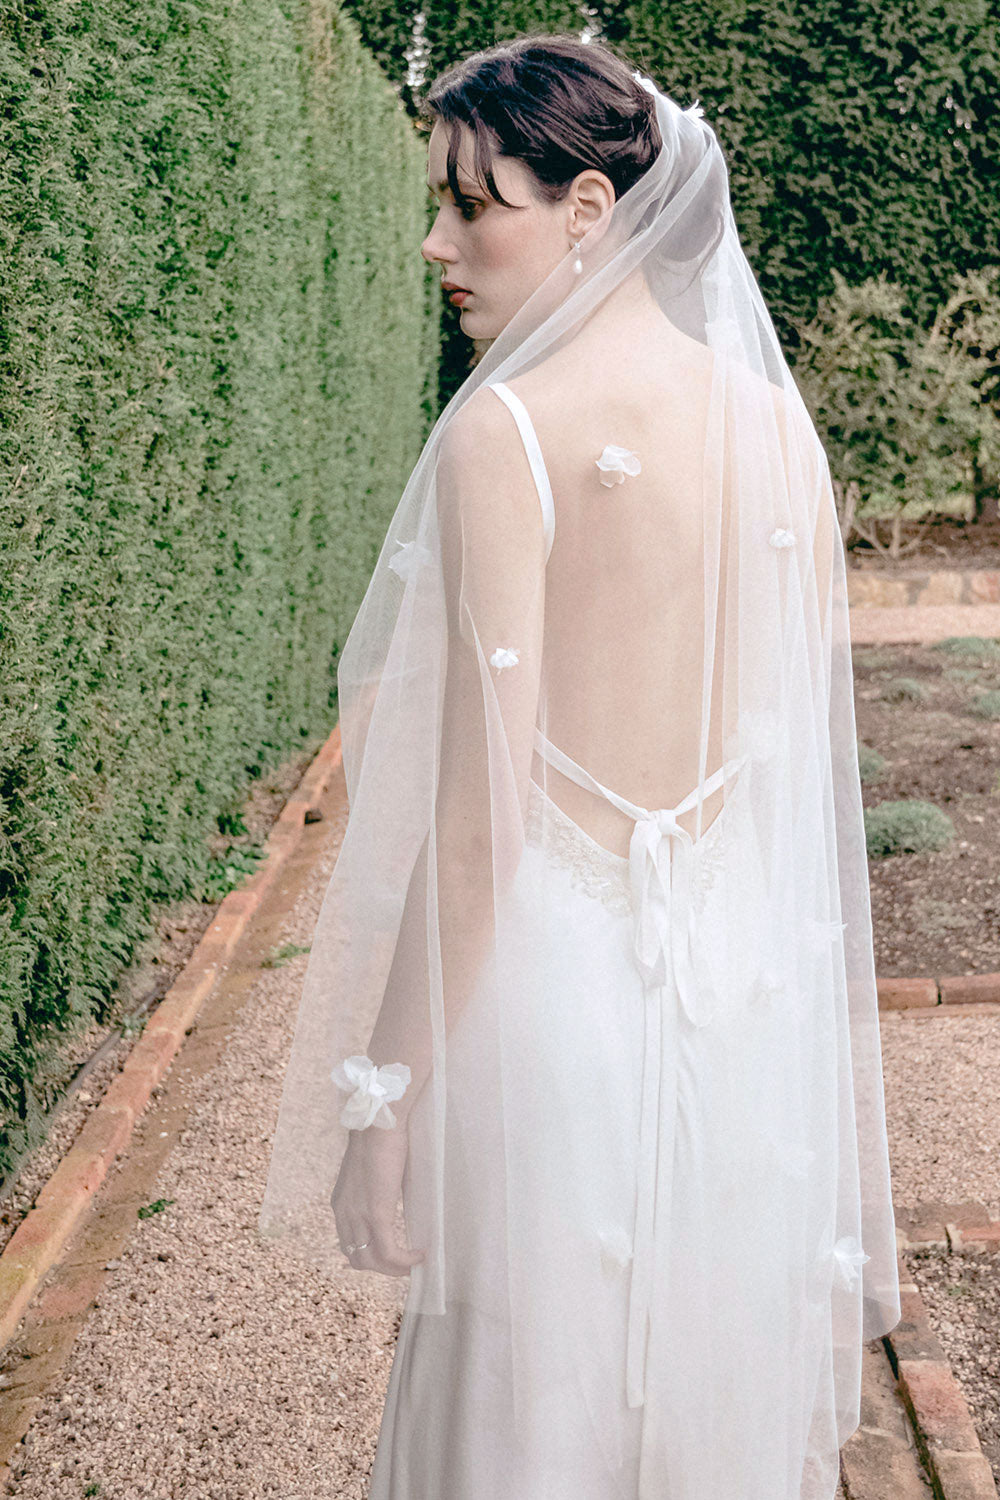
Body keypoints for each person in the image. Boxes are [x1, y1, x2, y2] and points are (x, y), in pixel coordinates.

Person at [258, 33, 901, 1499]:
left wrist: (385, 1103)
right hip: (735, 1004)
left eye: (474, 205)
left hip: (552, 1012)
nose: (440, 242)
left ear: (592, 210)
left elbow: (477, 832)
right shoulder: (774, 430)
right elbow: (786, 759)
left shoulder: (506, 433)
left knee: (520, 1407)